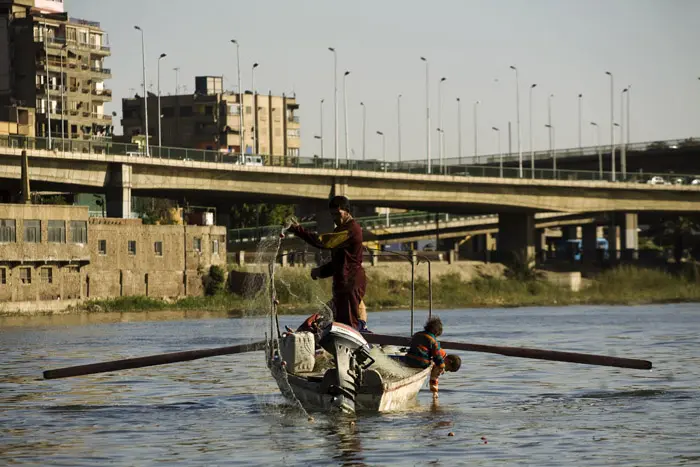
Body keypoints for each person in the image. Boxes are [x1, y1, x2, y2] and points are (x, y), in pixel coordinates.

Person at [286, 196, 367, 331]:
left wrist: (298, 230)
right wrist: (320, 271)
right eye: (332, 214)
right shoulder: (340, 230)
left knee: (348, 327)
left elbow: (323, 242)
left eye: (338, 213)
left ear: (347, 211)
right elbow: (338, 263)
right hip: (342, 284)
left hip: (350, 283)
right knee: (334, 320)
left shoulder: (351, 229)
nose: (335, 217)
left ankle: (361, 330)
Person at [404, 316, 461, 397]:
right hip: (421, 363)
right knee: (435, 369)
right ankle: (434, 394)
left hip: (408, 359)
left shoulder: (417, 334)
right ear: (448, 361)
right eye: (448, 369)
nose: (445, 370)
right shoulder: (433, 341)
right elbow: (437, 356)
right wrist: (441, 366)